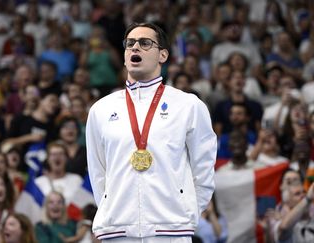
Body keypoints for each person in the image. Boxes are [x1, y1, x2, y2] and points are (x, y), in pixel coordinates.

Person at [86, 22, 217, 242]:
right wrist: (114, 211)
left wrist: (185, 213)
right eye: (130, 44)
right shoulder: (101, 109)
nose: (135, 48)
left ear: (162, 55)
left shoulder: (188, 105)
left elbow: (204, 168)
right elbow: (98, 172)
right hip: (117, 231)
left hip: (171, 230)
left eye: (145, 43)